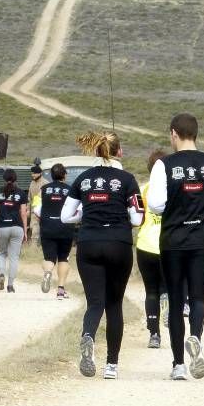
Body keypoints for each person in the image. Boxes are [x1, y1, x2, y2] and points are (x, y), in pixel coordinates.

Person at [147, 113, 204, 381]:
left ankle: (178, 365)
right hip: (202, 240)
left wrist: (176, 207)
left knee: (176, 302)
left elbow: (155, 204)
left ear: (174, 133)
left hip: (173, 242)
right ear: (195, 134)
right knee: (197, 299)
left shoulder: (163, 165)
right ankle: (195, 337)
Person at [61, 131, 144, 380]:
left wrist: (84, 216)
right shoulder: (127, 179)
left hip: (88, 244)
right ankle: (111, 366)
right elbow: (138, 218)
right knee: (114, 304)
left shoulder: (83, 180)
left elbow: (66, 216)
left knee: (95, 303)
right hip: (118, 243)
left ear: (96, 151)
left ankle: (88, 335)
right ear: (119, 151)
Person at [136, 149, 168, 349]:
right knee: (170, 287)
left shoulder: (143, 189)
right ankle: (169, 305)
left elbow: (137, 218)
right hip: (168, 245)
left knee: (150, 291)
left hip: (145, 244)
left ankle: (154, 333)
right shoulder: (174, 189)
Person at [34, 163, 74, 299]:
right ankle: (61, 290)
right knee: (63, 258)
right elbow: (76, 209)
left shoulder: (43, 189)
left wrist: (44, 219)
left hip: (47, 227)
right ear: (64, 175)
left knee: (49, 258)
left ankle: (48, 272)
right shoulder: (70, 190)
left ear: (51, 176)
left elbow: (36, 209)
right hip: (65, 228)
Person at [0, 169, 28, 293]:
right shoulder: (21, 193)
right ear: (16, 179)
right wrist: (25, 231)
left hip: (2, 227)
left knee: (1, 253)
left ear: (4, 178)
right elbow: (24, 213)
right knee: (14, 257)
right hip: (17, 227)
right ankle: (10, 286)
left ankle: (1, 274)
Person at [28, 164, 49, 243]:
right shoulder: (32, 183)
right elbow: (29, 198)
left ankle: (34, 249)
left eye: (34, 173)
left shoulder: (45, 183)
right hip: (34, 210)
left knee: (36, 229)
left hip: (43, 210)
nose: (32, 175)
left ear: (40, 173)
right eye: (32, 173)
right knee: (32, 228)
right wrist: (28, 210)